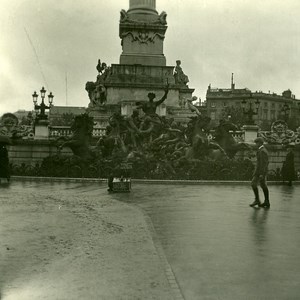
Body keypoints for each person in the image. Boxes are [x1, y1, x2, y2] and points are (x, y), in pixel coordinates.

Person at [249, 137, 270, 208]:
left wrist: (261, 173)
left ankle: (257, 200)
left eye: (256, 143)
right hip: (260, 171)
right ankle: (266, 201)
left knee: (253, 184)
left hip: (259, 172)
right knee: (263, 185)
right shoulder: (261, 150)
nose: (256, 144)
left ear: (260, 143)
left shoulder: (262, 151)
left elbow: (264, 163)